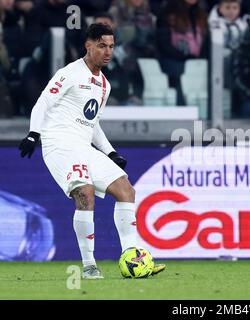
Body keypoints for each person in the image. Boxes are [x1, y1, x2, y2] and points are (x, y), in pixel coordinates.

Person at [18, 23, 166, 279]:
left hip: (83, 146)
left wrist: (110, 152)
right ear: (88, 45)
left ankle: (134, 258)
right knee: (85, 193)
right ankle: (89, 266)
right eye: (102, 46)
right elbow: (43, 101)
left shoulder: (104, 85)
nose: (107, 52)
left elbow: (92, 122)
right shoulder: (70, 73)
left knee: (125, 189)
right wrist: (34, 133)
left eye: (111, 46)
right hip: (59, 144)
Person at [156, 0, 209, 105]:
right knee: (184, 74)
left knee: (206, 73)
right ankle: (184, 115)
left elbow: (206, 42)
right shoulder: (167, 13)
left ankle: (199, 120)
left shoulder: (202, 13)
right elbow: (163, 44)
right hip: (173, 60)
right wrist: (186, 58)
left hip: (197, 62)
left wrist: (199, 59)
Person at [209, 0, 247, 88]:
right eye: (227, 7)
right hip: (221, 63)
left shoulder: (242, 24)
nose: (231, 11)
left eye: (235, 8)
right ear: (220, 8)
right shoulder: (214, 24)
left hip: (240, 62)